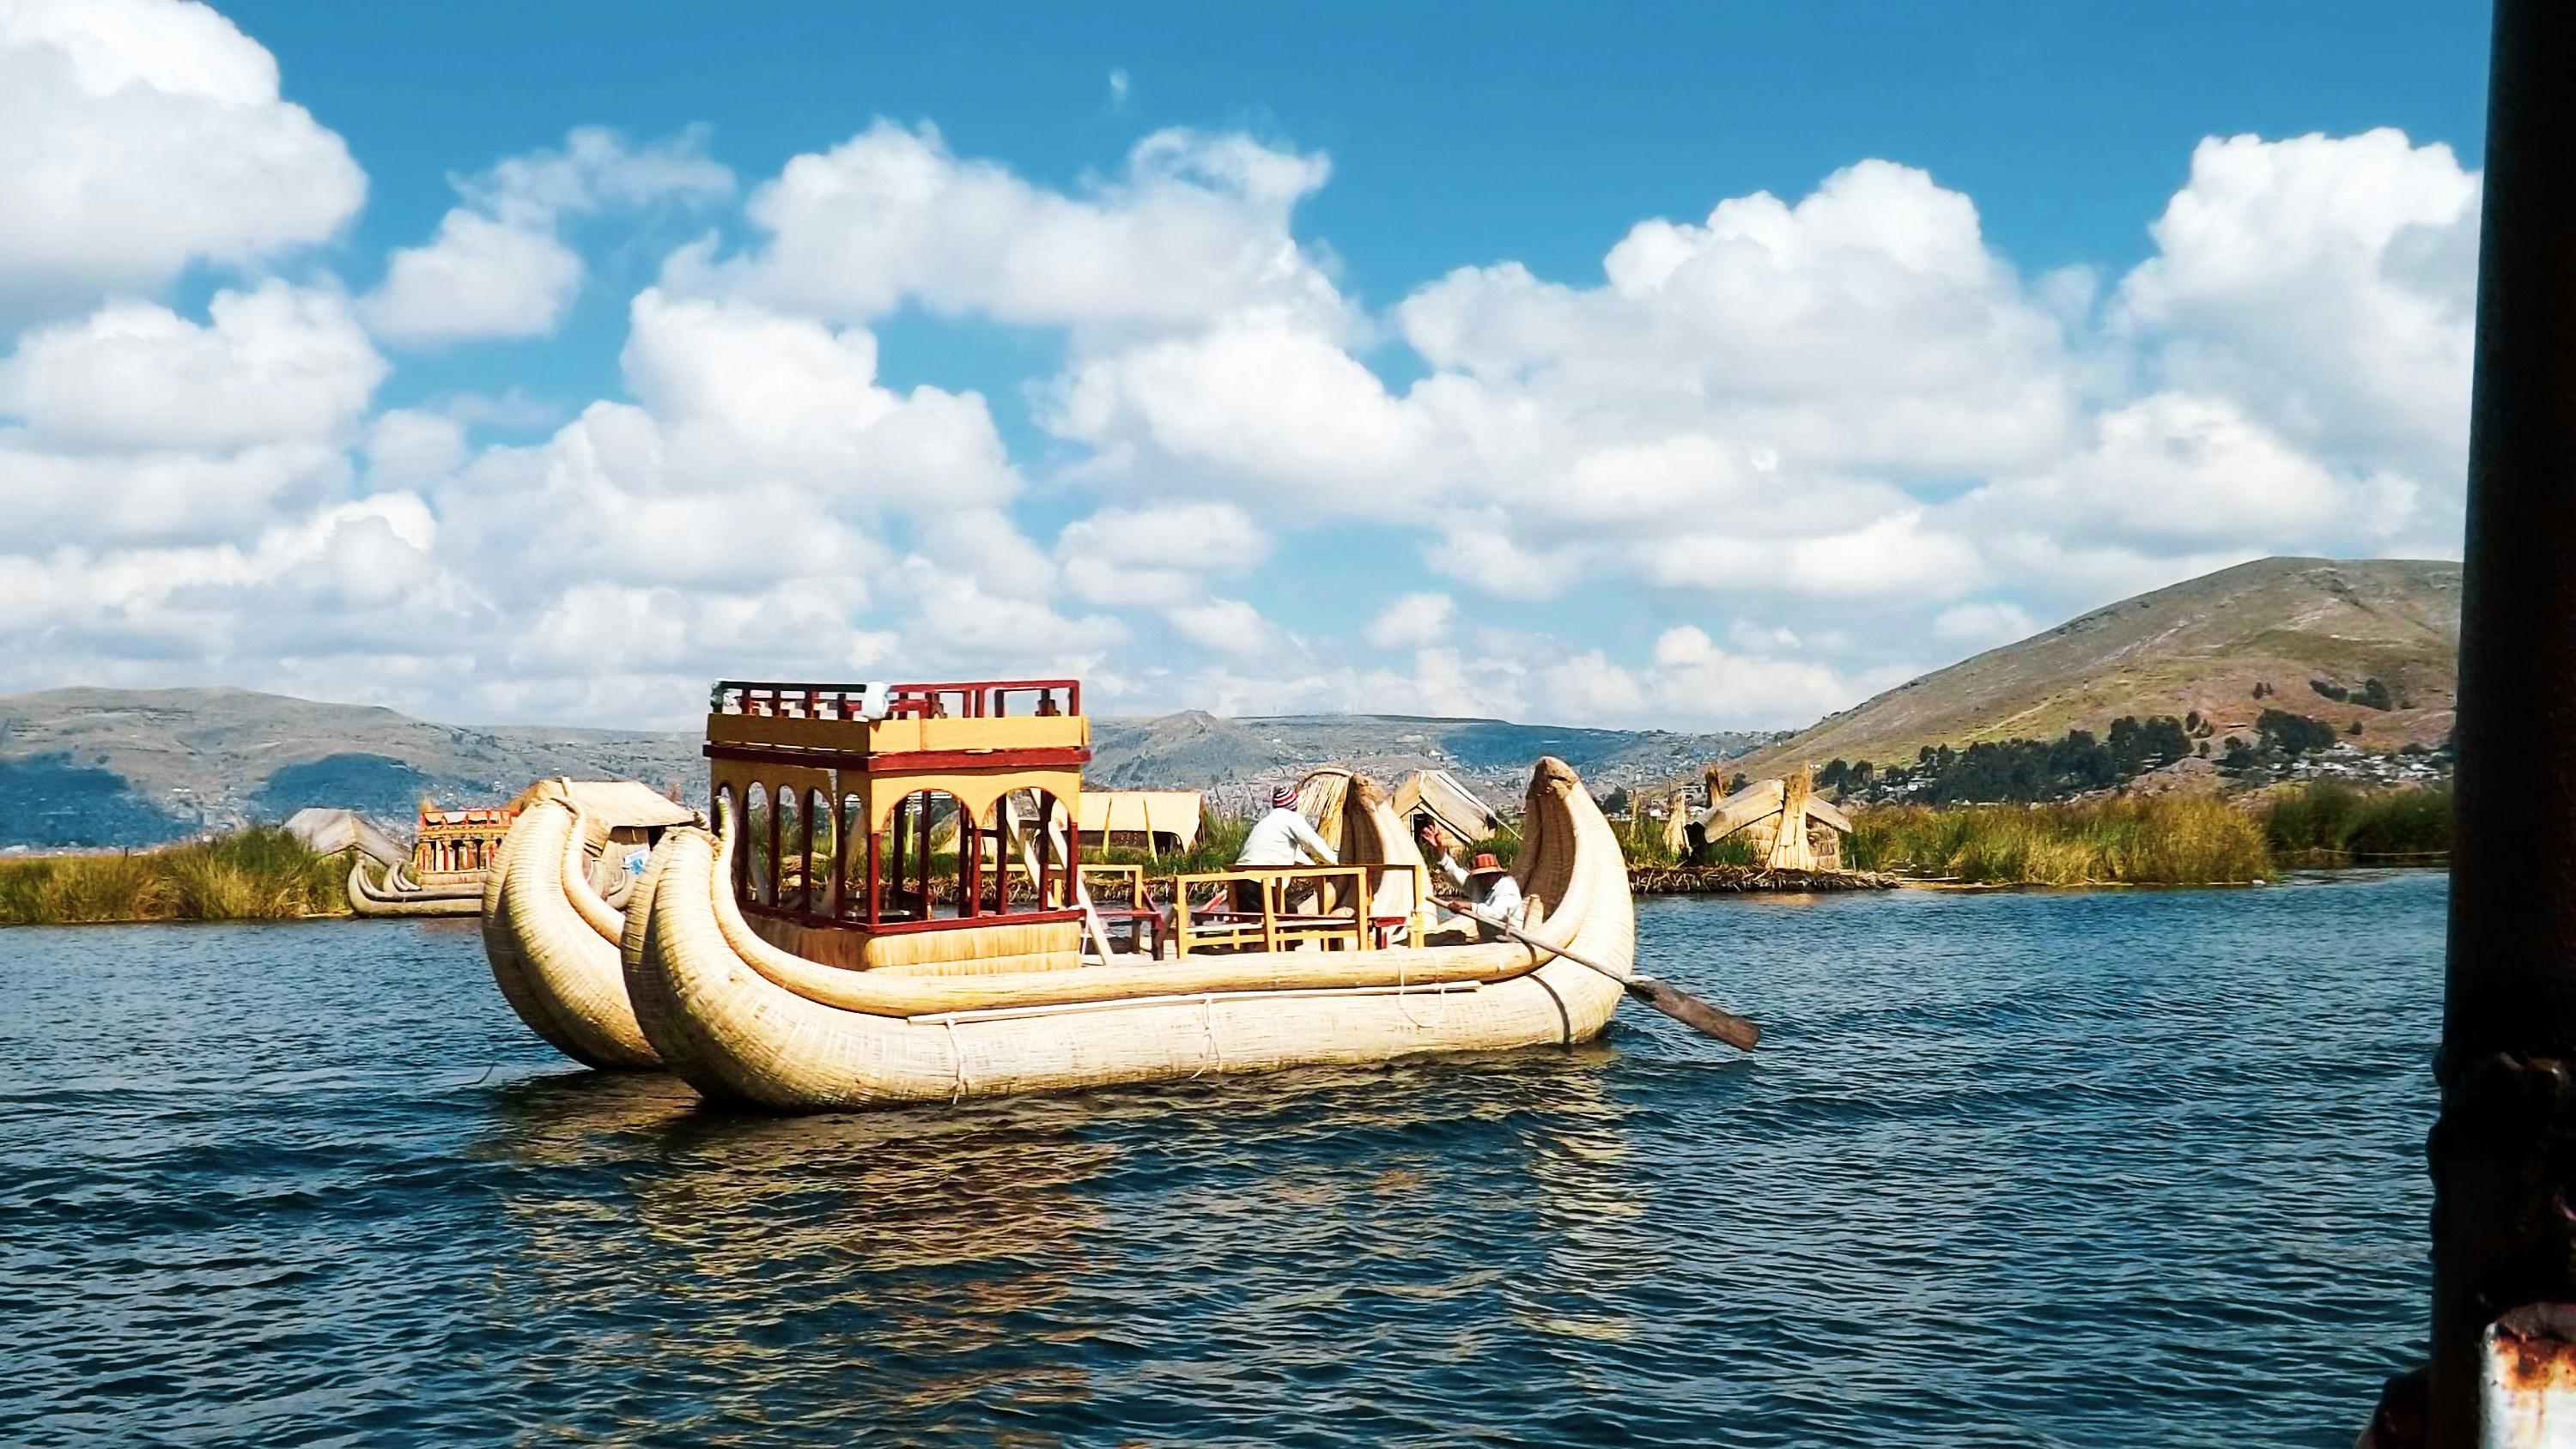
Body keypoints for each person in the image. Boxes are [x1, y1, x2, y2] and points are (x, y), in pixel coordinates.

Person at [1232, 783, 1336, 917]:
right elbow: (1314, 843)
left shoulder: (1267, 821)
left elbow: (1295, 854)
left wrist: (1313, 867)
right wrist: (1334, 863)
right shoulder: (1290, 818)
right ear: (1294, 805)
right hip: (1261, 881)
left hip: (1240, 881)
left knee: (1255, 924)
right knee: (1288, 917)